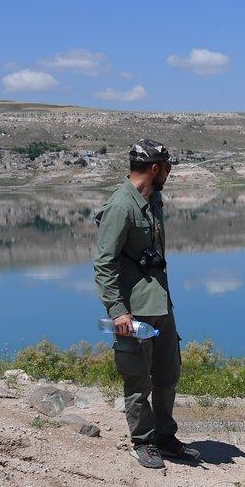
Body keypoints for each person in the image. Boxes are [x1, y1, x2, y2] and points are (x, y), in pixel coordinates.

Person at [94, 139, 199, 470]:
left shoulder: (153, 199)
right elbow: (104, 264)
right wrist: (117, 310)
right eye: (166, 168)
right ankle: (143, 441)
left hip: (161, 304)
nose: (169, 174)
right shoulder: (120, 207)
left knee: (168, 374)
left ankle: (166, 437)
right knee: (138, 380)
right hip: (134, 310)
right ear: (156, 169)